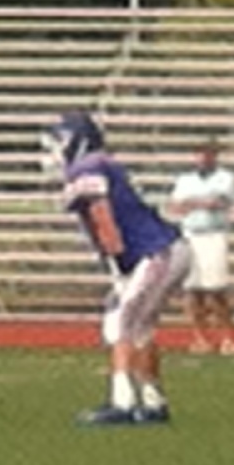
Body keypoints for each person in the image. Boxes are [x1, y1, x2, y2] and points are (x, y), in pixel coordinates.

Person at [47, 112, 194, 426]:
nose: (55, 149)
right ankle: (154, 402)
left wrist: (118, 265)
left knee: (120, 322)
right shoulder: (104, 164)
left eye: (59, 141)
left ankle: (123, 402)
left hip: (153, 252)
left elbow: (103, 216)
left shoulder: (85, 169)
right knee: (140, 327)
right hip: (168, 247)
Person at [167, 139, 234, 356]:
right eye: (199, 154)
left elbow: (219, 202)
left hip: (213, 234)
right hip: (190, 235)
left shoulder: (225, 178)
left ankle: (227, 337)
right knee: (192, 290)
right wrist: (200, 203)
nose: (203, 158)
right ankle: (201, 338)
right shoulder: (185, 179)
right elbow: (176, 206)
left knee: (216, 290)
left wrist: (192, 203)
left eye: (207, 154)